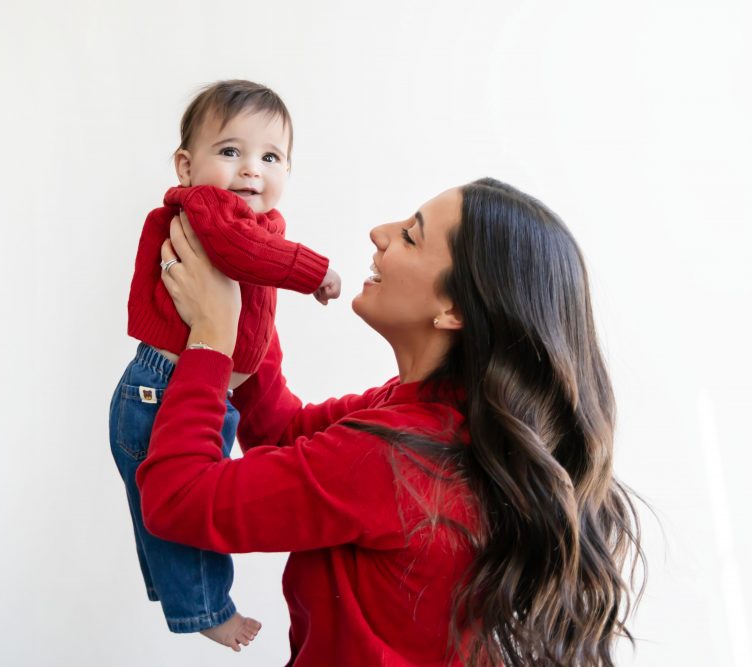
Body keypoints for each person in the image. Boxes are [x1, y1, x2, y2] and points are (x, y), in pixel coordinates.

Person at [138, 178, 644, 666]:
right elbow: (280, 432)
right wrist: (249, 299)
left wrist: (209, 339)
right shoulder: (437, 417)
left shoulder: (395, 457)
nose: (379, 233)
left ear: (453, 309)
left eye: (410, 235)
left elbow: (178, 499)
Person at [109, 80, 341, 652]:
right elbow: (242, 254)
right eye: (230, 152)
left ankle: (180, 592)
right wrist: (314, 272)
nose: (250, 171)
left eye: (271, 157)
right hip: (159, 391)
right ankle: (205, 610)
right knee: (176, 516)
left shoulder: (261, 226)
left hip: (194, 392)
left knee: (164, 518)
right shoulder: (209, 211)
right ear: (186, 166)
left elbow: (256, 323)